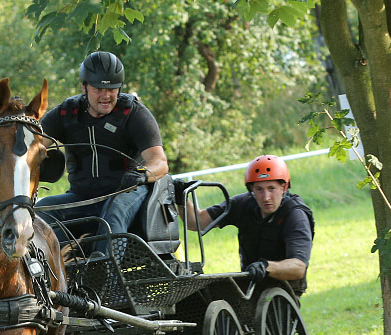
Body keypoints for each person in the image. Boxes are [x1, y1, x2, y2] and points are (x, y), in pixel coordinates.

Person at [38, 51, 168, 257]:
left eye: (112, 88)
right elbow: (32, 147)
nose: (106, 95)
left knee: (114, 211)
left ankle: (106, 271)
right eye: (99, 89)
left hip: (126, 192)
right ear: (84, 87)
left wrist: (142, 174)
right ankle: (55, 268)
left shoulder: (134, 113)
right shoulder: (66, 113)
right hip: (83, 196)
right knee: (41, 211)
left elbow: (159, 162)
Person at [181, 154, 313, 295]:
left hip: (285, 290)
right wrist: (181, 198)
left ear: (284, 187)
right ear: (251, 190)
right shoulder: (243, 204)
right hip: (250, 284)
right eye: (259, 189)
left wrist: (265, 267)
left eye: (271, 188)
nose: (266, 197)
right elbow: (197, 223)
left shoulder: (295, 215)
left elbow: (298, 267)